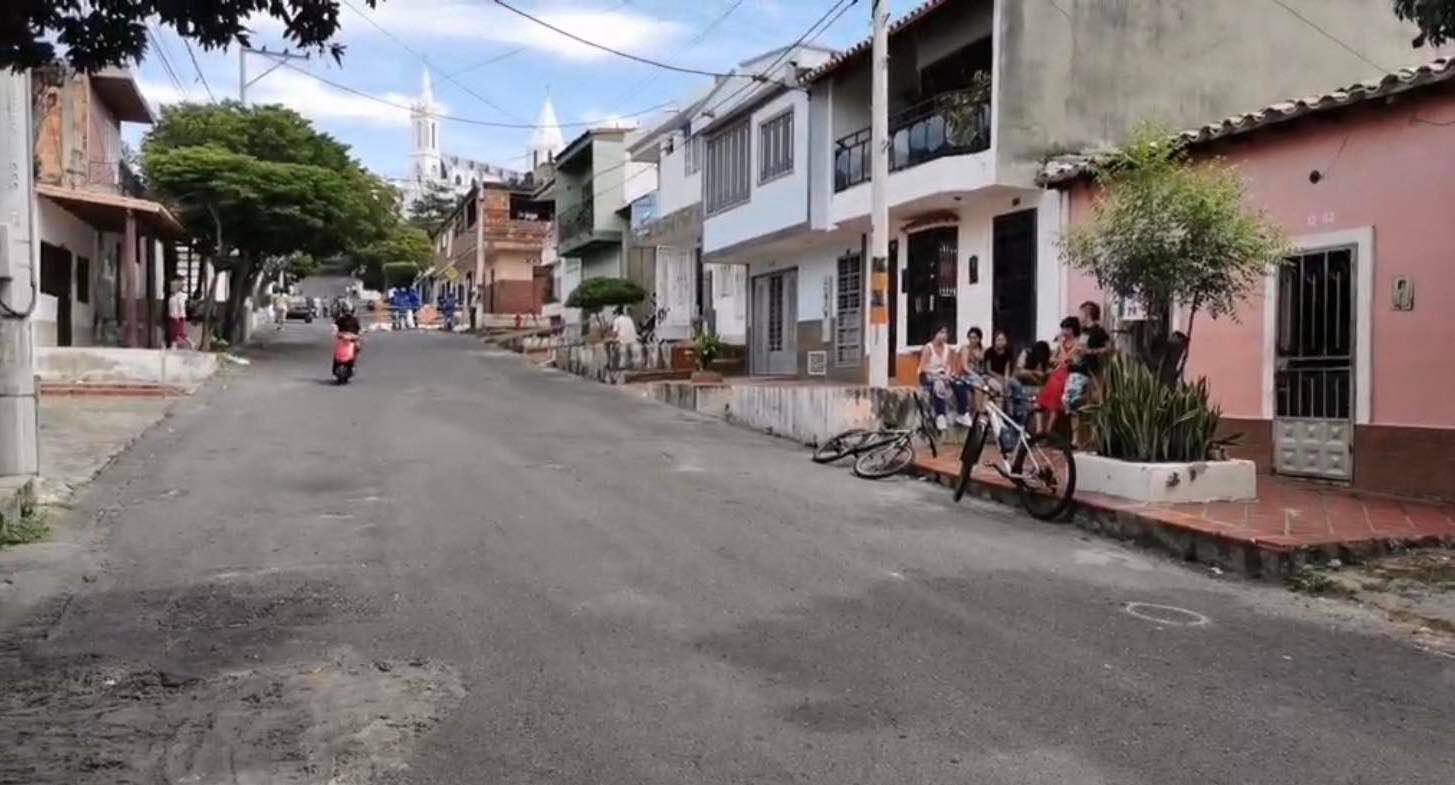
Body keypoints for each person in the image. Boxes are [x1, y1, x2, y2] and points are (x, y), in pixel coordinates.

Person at [1065, 301, 1112, 447]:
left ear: (1088, 313)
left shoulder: (1099, 331)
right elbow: (1080, 349)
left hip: (1092, 372)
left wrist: (1091, 352)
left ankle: (1092, 438)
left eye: (1081, 313)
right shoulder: (1084, 331)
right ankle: (1075, 438)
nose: (1079, 316)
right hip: (1079, 371)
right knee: (1072, 402)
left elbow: (1109, 349)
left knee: (1091, 404)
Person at [918, 325, 971, 431]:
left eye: (945, 333)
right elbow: (923, 368)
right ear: (935, 334)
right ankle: (940, 416)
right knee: (939, 385)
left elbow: (949, 366)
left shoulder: (948, 349)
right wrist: (938, 375)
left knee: (960, 383)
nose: (944, 336)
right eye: (941, 333)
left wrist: (948, 375)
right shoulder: (928, 348)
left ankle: (962, 413)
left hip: (944, 375)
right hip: (929, 375)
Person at [1037, 317, 1083, 438]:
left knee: (1056, 390)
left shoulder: (1078, 343)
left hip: (1070, 374)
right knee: (1047, 391)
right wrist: (1057, 358)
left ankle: (1049, 430)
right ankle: (1041, 431)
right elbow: (1053, 359)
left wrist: (1060, 345)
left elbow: (1068, 358)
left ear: (1072, 329)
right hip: (1058, 372)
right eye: (1063, 329)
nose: (1063, 331)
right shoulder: (1062, 344)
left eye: (1066, 329)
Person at [165, 278, 192, 350]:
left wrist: (178, 316)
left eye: (172, 286)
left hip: (178, 317)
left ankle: (191, 343)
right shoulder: (172, 295)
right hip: (172, 316)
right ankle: (174, 346)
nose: (171, 288)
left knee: (179, 332)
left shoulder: (180, 296)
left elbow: (181, 306)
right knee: (173, 332)